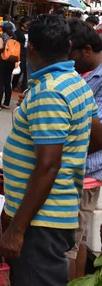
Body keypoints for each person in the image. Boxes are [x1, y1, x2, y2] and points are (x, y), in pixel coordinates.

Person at [0, 14, 99, 286]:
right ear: (68, 45)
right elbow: (94, 133)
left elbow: (48, 165)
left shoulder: (50, 92)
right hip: (52, 213)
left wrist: (17, 230)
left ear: (31, 48)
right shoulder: (74, 82)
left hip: (41, 220)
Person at [65, 19, 102, 280]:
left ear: (86, 50)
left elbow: (97, 136)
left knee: (66, 246)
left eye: (71, 55)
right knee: (76, 243)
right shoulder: (85, 73)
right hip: (81, 172)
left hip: (83, 174)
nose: (69, 61)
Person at [0, 22, 16, 110]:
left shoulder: (1, 37)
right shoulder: (14, 37)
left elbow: (0, 47)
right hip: (11, 61)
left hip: (2, 61)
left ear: (3, 29)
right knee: (7, 82)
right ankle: (6, 103)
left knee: (0, 82)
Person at [12, 17, 30, 91]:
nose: (28, 25)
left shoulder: (30, 32)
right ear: (23, 23)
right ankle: (14, 84)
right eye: (26, 23)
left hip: (28, 52)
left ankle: (24, 87)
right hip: (20, 52)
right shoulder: (18, 32)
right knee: (20, 68)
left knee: (27, 70)